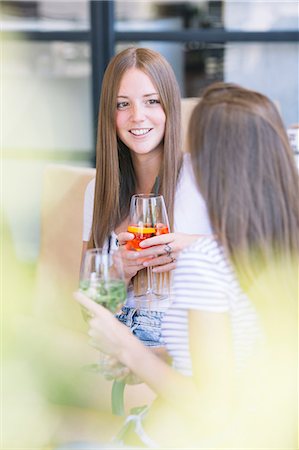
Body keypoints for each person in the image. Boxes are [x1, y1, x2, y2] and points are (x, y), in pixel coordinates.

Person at [76, 82, 299, 448]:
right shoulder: (276, 252)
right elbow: (233, 359)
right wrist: (152, 357)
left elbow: (212, 410)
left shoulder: (205, 263)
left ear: (211, 166)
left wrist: (126, 348)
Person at [82, 47, 212, 366]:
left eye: (151, 101)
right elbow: (89, 307)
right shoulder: (97, 190)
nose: (137, 116)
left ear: (170, 106)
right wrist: (118, 272)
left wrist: (194, 249)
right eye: (122, 104)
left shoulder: (201, 177)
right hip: (118, 339)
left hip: (180, 341)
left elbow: (258, 254)